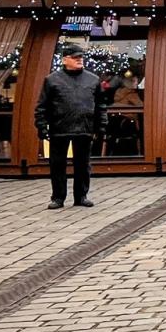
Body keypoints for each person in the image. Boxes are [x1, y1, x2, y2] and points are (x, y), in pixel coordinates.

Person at [35, 43, 107, 210]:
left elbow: (101, 106)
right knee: (57, 164)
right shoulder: (52, 80)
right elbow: (42, 106)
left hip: (84, 127)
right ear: (65, 59)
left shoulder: (93, 79)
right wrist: (41, 126)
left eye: (81, 57)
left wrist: (101, 126)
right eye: (75, 58)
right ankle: (58, 197)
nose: (79, 60)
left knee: (83, 164)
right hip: (59, 128)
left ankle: (81, 196)